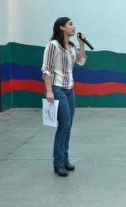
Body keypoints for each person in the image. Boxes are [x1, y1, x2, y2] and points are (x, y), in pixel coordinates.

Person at [41, 17, 87, 177]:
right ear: (61, 27)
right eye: (70, 24)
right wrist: (49, 91)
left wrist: (81, 44)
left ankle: (65, 159)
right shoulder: (53, 46)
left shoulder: (72, 47)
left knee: (68, 125)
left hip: (69, 89)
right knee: (64, 124)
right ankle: (58, 162)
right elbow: (46, 69)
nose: (73, 27)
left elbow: (81, 62)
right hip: (57, 88)